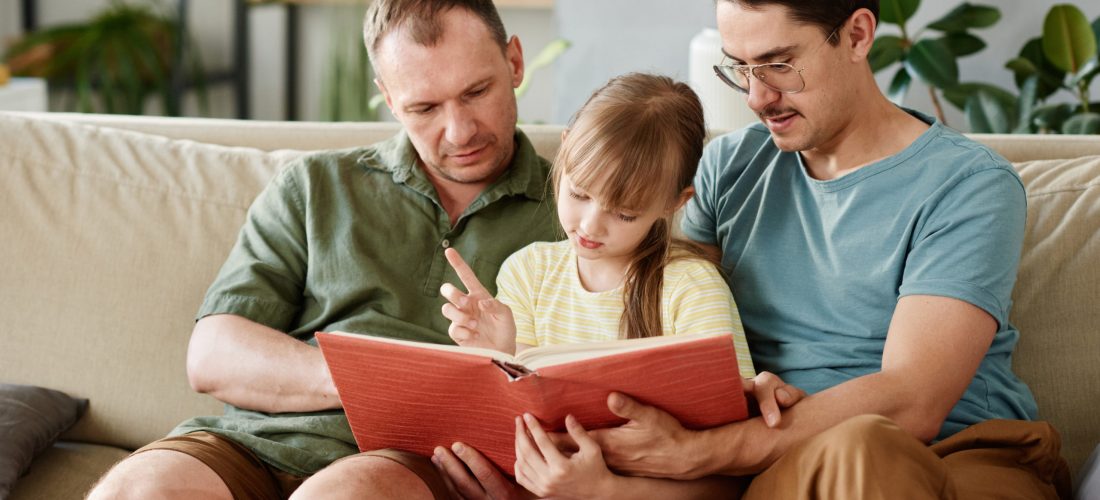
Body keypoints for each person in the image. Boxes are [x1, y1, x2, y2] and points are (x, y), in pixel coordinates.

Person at [436, 1, 1072, 499]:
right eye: (738, 67)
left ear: (856, 34)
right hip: (785, 463)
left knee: (865, 449)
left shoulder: (968, 186)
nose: (755, 96)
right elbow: (669, 332)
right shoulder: (730, 169)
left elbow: (913, 400)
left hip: (964, 458)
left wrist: (697, 452)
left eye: (776, 63)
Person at [87, 1, 563, 499]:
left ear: (514, 63)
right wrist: (376, 383)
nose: (459, 130)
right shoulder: (315, 185)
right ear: (389, 98)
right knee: (139, 489)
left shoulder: (584, 216)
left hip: (404, 465)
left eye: (477, 91)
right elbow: (213, 355)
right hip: (251, 444)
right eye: (424, 108)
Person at [437, 73, 759, 498]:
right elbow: (518, 427)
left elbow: (728, 474)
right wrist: (497, 353)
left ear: (674, 203)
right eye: (580, 193)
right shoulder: (528, 272)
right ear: (565, 149)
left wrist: (603, 491)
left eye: (624, 214)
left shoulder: (690, 288)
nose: (590, 226)